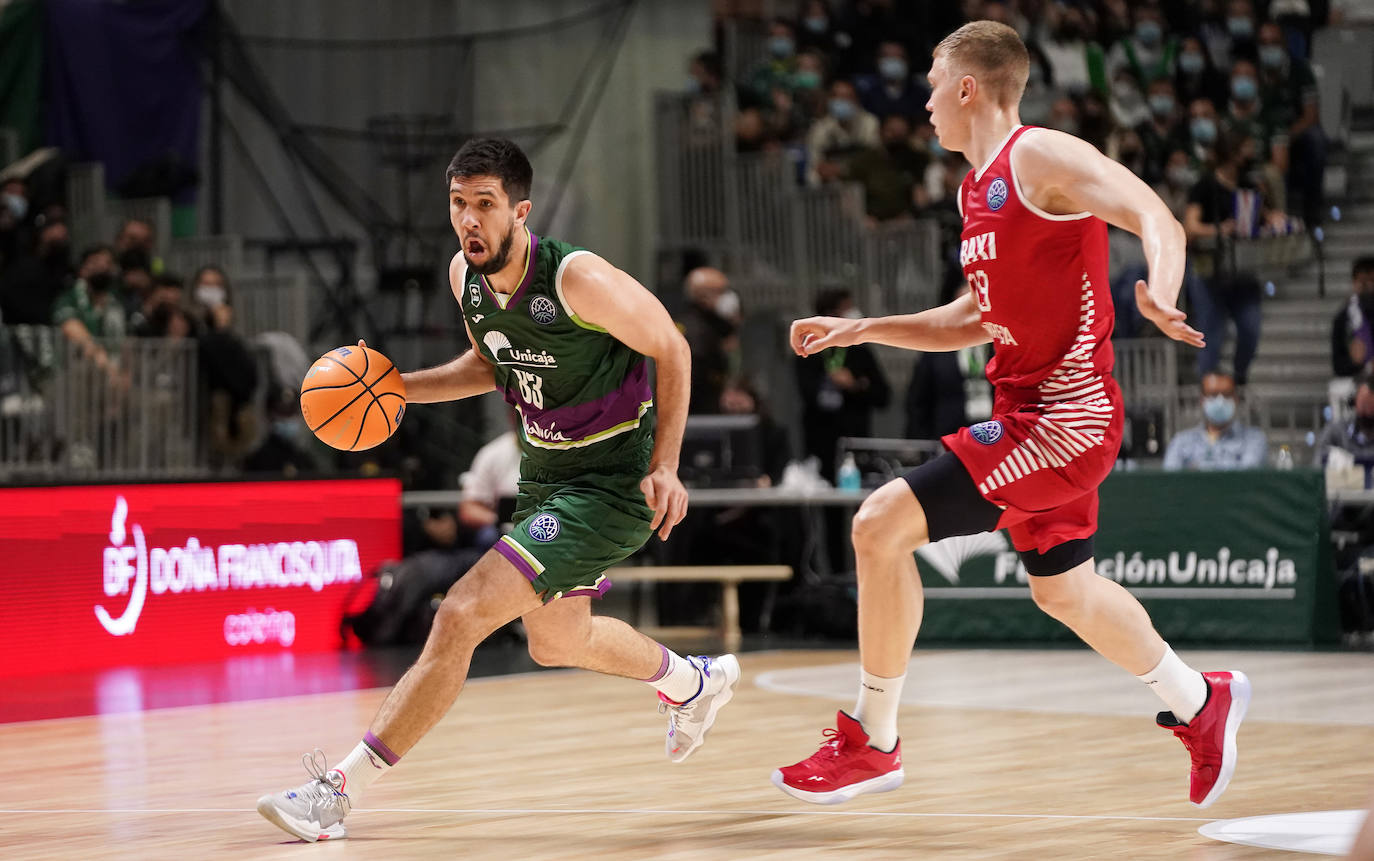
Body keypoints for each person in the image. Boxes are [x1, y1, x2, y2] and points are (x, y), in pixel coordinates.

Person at [774, 21, 1249, 810]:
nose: (923, 101)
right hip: (1031, 412)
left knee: (878, 523)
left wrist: (1161, 290)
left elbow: (1153, 213)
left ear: (967, 87)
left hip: (1063, 422)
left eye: (931, 83)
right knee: (1063, 593)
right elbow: (975, 317)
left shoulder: (1038, 157)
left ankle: (874, 739)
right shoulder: (973, 187)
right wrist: (866, 327)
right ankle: (1202, 701)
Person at [256, 138, 739, 842]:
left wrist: (667, 464)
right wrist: (394, 389)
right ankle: (693, 682)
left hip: (609, 484)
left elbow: (673, 345)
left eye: (484, 204)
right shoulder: (466, 277)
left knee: (459, 613)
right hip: (543, 475)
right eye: (458, 204)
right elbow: (491, 364)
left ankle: (337, 791)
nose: (469, 220)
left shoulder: (577, 279)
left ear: (520, 210)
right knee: (556, 640)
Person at [795, 288, 890, 483]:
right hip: (821, 440)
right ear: (832, 314)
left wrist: (855, 386)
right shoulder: (809, 352)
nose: (853, 312)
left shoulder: (861, 353)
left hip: (857, 439)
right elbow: (808, 393)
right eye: (847, 308)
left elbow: (883, 396)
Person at [1162, 371, 1268, 470]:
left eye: (1226, 395)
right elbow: (1170, 481)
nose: (1220, 401)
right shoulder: (1181, 442)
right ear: (1202, 400)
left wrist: (1197, 469)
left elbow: (1245, 479)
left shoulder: (1254, 440)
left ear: (1236, 399)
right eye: (1213, 395)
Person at [677, 266, 739, 414]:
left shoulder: (715, 328)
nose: (729, 297)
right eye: (721, 291)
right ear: (703, 297)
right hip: (696, 415)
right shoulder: (695, 332)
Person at [1333, 257, 1374, 378]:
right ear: (1354, 283)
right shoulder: (1343, 319)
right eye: (1362, 282)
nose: (1367, 286)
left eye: (1372, 280)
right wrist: (1358, 363)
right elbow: (1338, 367)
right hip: (1358, 384)